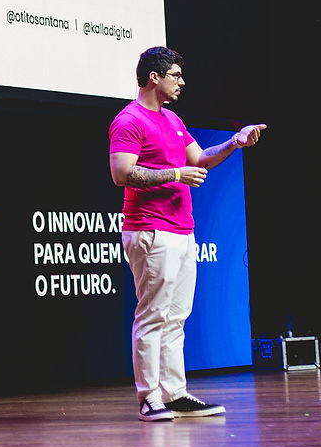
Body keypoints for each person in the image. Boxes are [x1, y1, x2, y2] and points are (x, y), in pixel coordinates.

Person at [109, 46, 265, 422]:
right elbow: (122, 173)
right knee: (153, 315)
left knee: (177, 316)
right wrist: (176, 174)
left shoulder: (172, 119)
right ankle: (149, 398)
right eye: (176, 75)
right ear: (154, 78)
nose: (182, 82)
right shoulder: (129, 120)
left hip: (181, 230)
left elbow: (199, 159)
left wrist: (235, 142)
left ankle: (175, 393)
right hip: (150, 229)